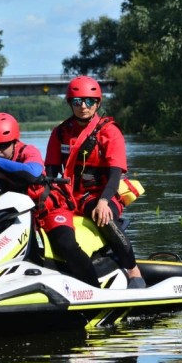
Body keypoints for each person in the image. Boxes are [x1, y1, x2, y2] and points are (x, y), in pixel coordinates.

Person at [0, 112, 100, 287]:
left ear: (14, 141)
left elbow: (33, 172)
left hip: (47, 211)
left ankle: (96, 289)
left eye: (3, 145)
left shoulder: (27, 151)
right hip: (10, 215)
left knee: (67, 245)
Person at [45, 76, 146, 289]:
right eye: (77, 101)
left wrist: (103, 202)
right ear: (70, 104)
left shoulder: (109, 131)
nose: (83, 106)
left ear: (98, 103)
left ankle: (133, 270)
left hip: (101, 194)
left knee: (104, 218)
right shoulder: (60, 133)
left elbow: (115, 173)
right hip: (69, 196)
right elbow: (51, 172)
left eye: (89, 101)